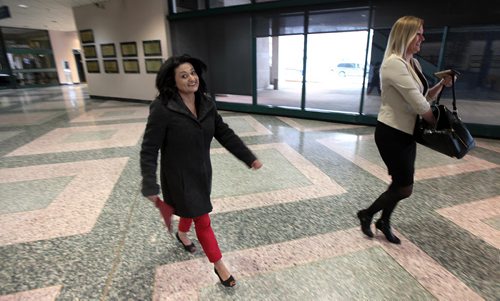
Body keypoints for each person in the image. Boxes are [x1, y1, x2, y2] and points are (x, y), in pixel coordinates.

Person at [140, 54, 263, 286]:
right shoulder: (163, 108)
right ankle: (220, 266)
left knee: (190, 210)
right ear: (172, 81)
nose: (191, 79)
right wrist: (149, 182)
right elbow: (149, 148)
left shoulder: (206, 103)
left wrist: (248, 157)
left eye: (193, 73)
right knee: (202, 218)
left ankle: (181, 234)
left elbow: (223, 132)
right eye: (183, 75)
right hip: (178, 176)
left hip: (202, 172)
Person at [356, 16, 454, 244]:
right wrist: (439, 125)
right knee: (405, 188)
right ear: (406, 35)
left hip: (407, 134)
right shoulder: (393, 63)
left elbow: (423, 98)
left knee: (399, 183)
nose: (423, 38)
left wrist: (441, 85)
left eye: (422, 33)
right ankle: (367, 214)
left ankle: (383, 221)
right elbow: (419, 105)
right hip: (391, 133)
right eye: (418, 33)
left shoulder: (413, 63)